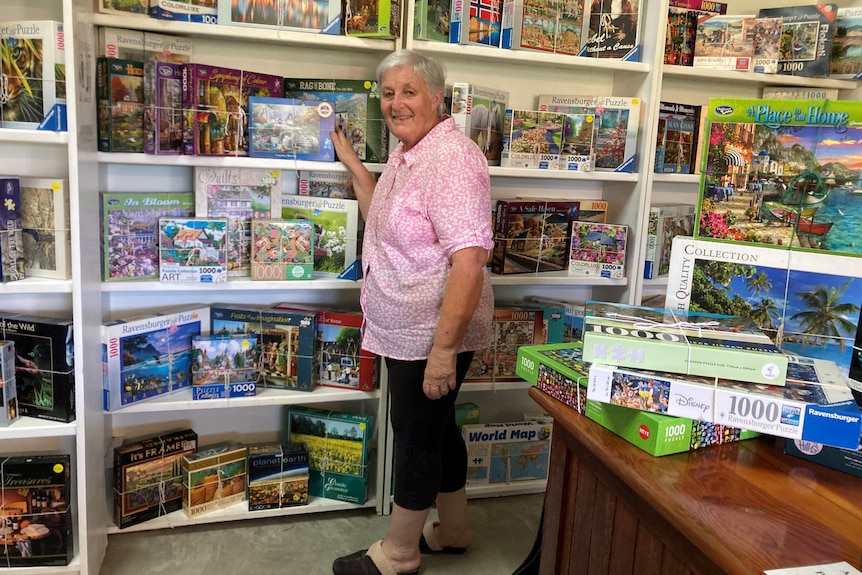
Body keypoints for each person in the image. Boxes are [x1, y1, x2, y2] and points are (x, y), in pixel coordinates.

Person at [329, 50, 494, 575]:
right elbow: (385, 216)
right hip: (406, 327)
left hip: (431, 333)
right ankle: (455, 531)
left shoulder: (452, 159)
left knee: (417, 434)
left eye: (409, 92)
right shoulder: (409, 153)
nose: (396, 103)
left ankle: (399, 553)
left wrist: (443, 354)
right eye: (388, 93)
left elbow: (469, 261)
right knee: (439, 429)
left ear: (437, 97)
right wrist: (353, 163)